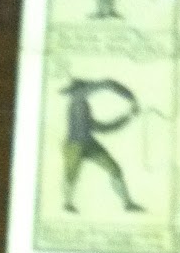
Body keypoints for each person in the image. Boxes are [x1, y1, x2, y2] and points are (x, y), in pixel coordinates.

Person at [61, 78, 145, 213]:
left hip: (89, 143)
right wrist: (130, 98)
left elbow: (103, 128)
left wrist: (128, 117)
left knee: (115, 170)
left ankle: (128, 204)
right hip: (74, 146)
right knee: (71, 175)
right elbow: (108, 84)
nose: (85, 92)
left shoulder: (83, 106)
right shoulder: (77, 100)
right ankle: (67, 204)